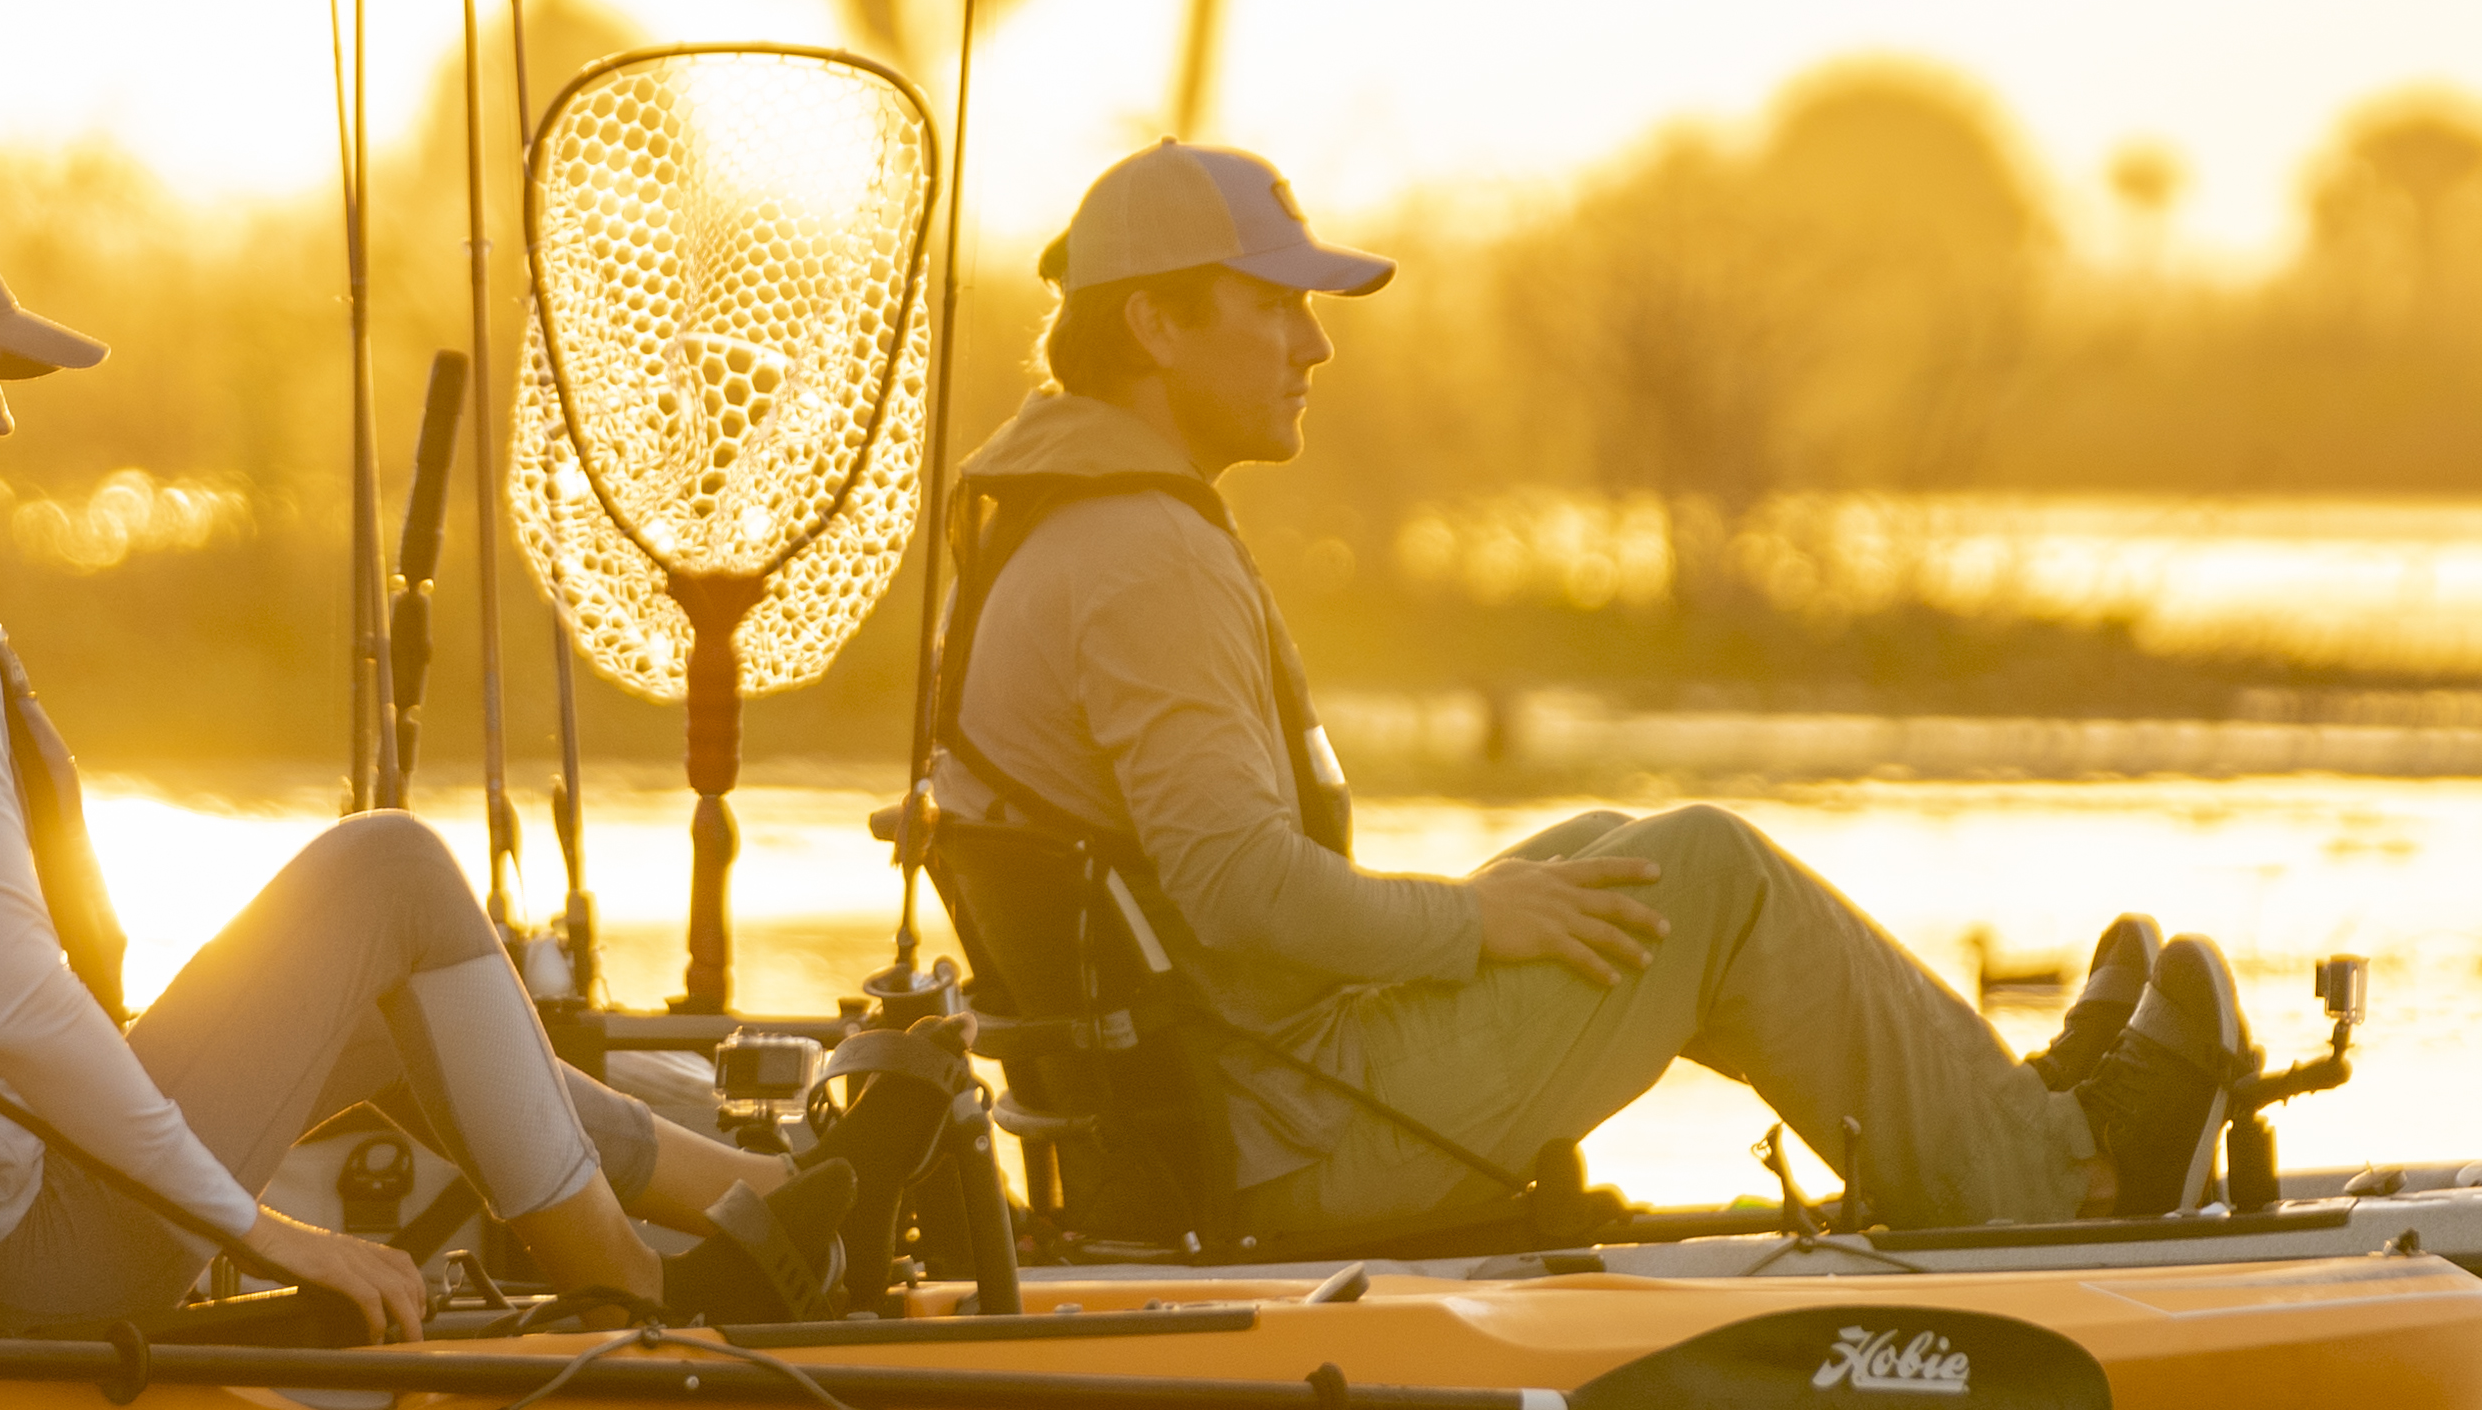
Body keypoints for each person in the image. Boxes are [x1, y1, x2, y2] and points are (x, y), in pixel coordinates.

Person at [916, 139, 2250, 1251]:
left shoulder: (1057, 521)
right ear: (1153, 320)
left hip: (1238, 1095)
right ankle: (2062, 1177)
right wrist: (1475, 920)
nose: (1309, 344)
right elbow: (1243, 891)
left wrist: (1491, 912)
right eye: (1270, 305)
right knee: (1706, 873)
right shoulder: (1144, 554)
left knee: (1606, 854)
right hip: (1284, 1134)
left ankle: (1997, 1114)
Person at [0, 127, 805, 1340]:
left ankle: (766, 1195)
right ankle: (641, 1298)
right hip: (20, 1255)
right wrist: (268, 1230)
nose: (3, 422)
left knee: (385, 991)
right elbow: (14, 1000)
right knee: (388, 870)